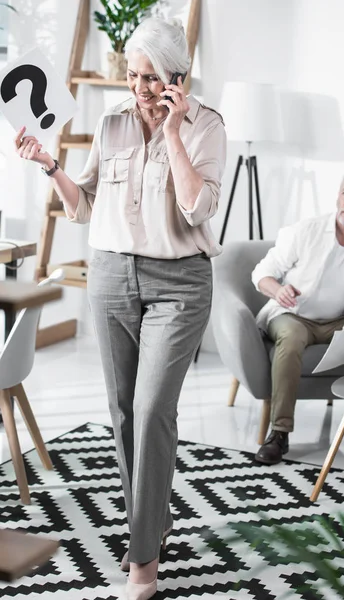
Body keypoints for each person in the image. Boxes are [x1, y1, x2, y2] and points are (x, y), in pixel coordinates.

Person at [14, 17, 226, 600]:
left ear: (176, 77)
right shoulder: (109, 124)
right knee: (124, 414)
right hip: (110, 275)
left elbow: (197, 208)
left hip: (179, 284)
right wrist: (49, 166)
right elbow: (82, 207)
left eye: (148, 77)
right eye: (131, 76)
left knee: (153, 406)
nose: (137, 88)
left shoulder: (207, 126)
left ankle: (142, 564)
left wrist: (175, 130)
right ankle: (153, 522)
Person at [252, 168, 344, 466]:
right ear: (338, 197)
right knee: (291, 339)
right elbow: (261, 274)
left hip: (339, 320)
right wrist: (278, 290)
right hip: (293, 315)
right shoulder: (305, 231)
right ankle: (279, 433)